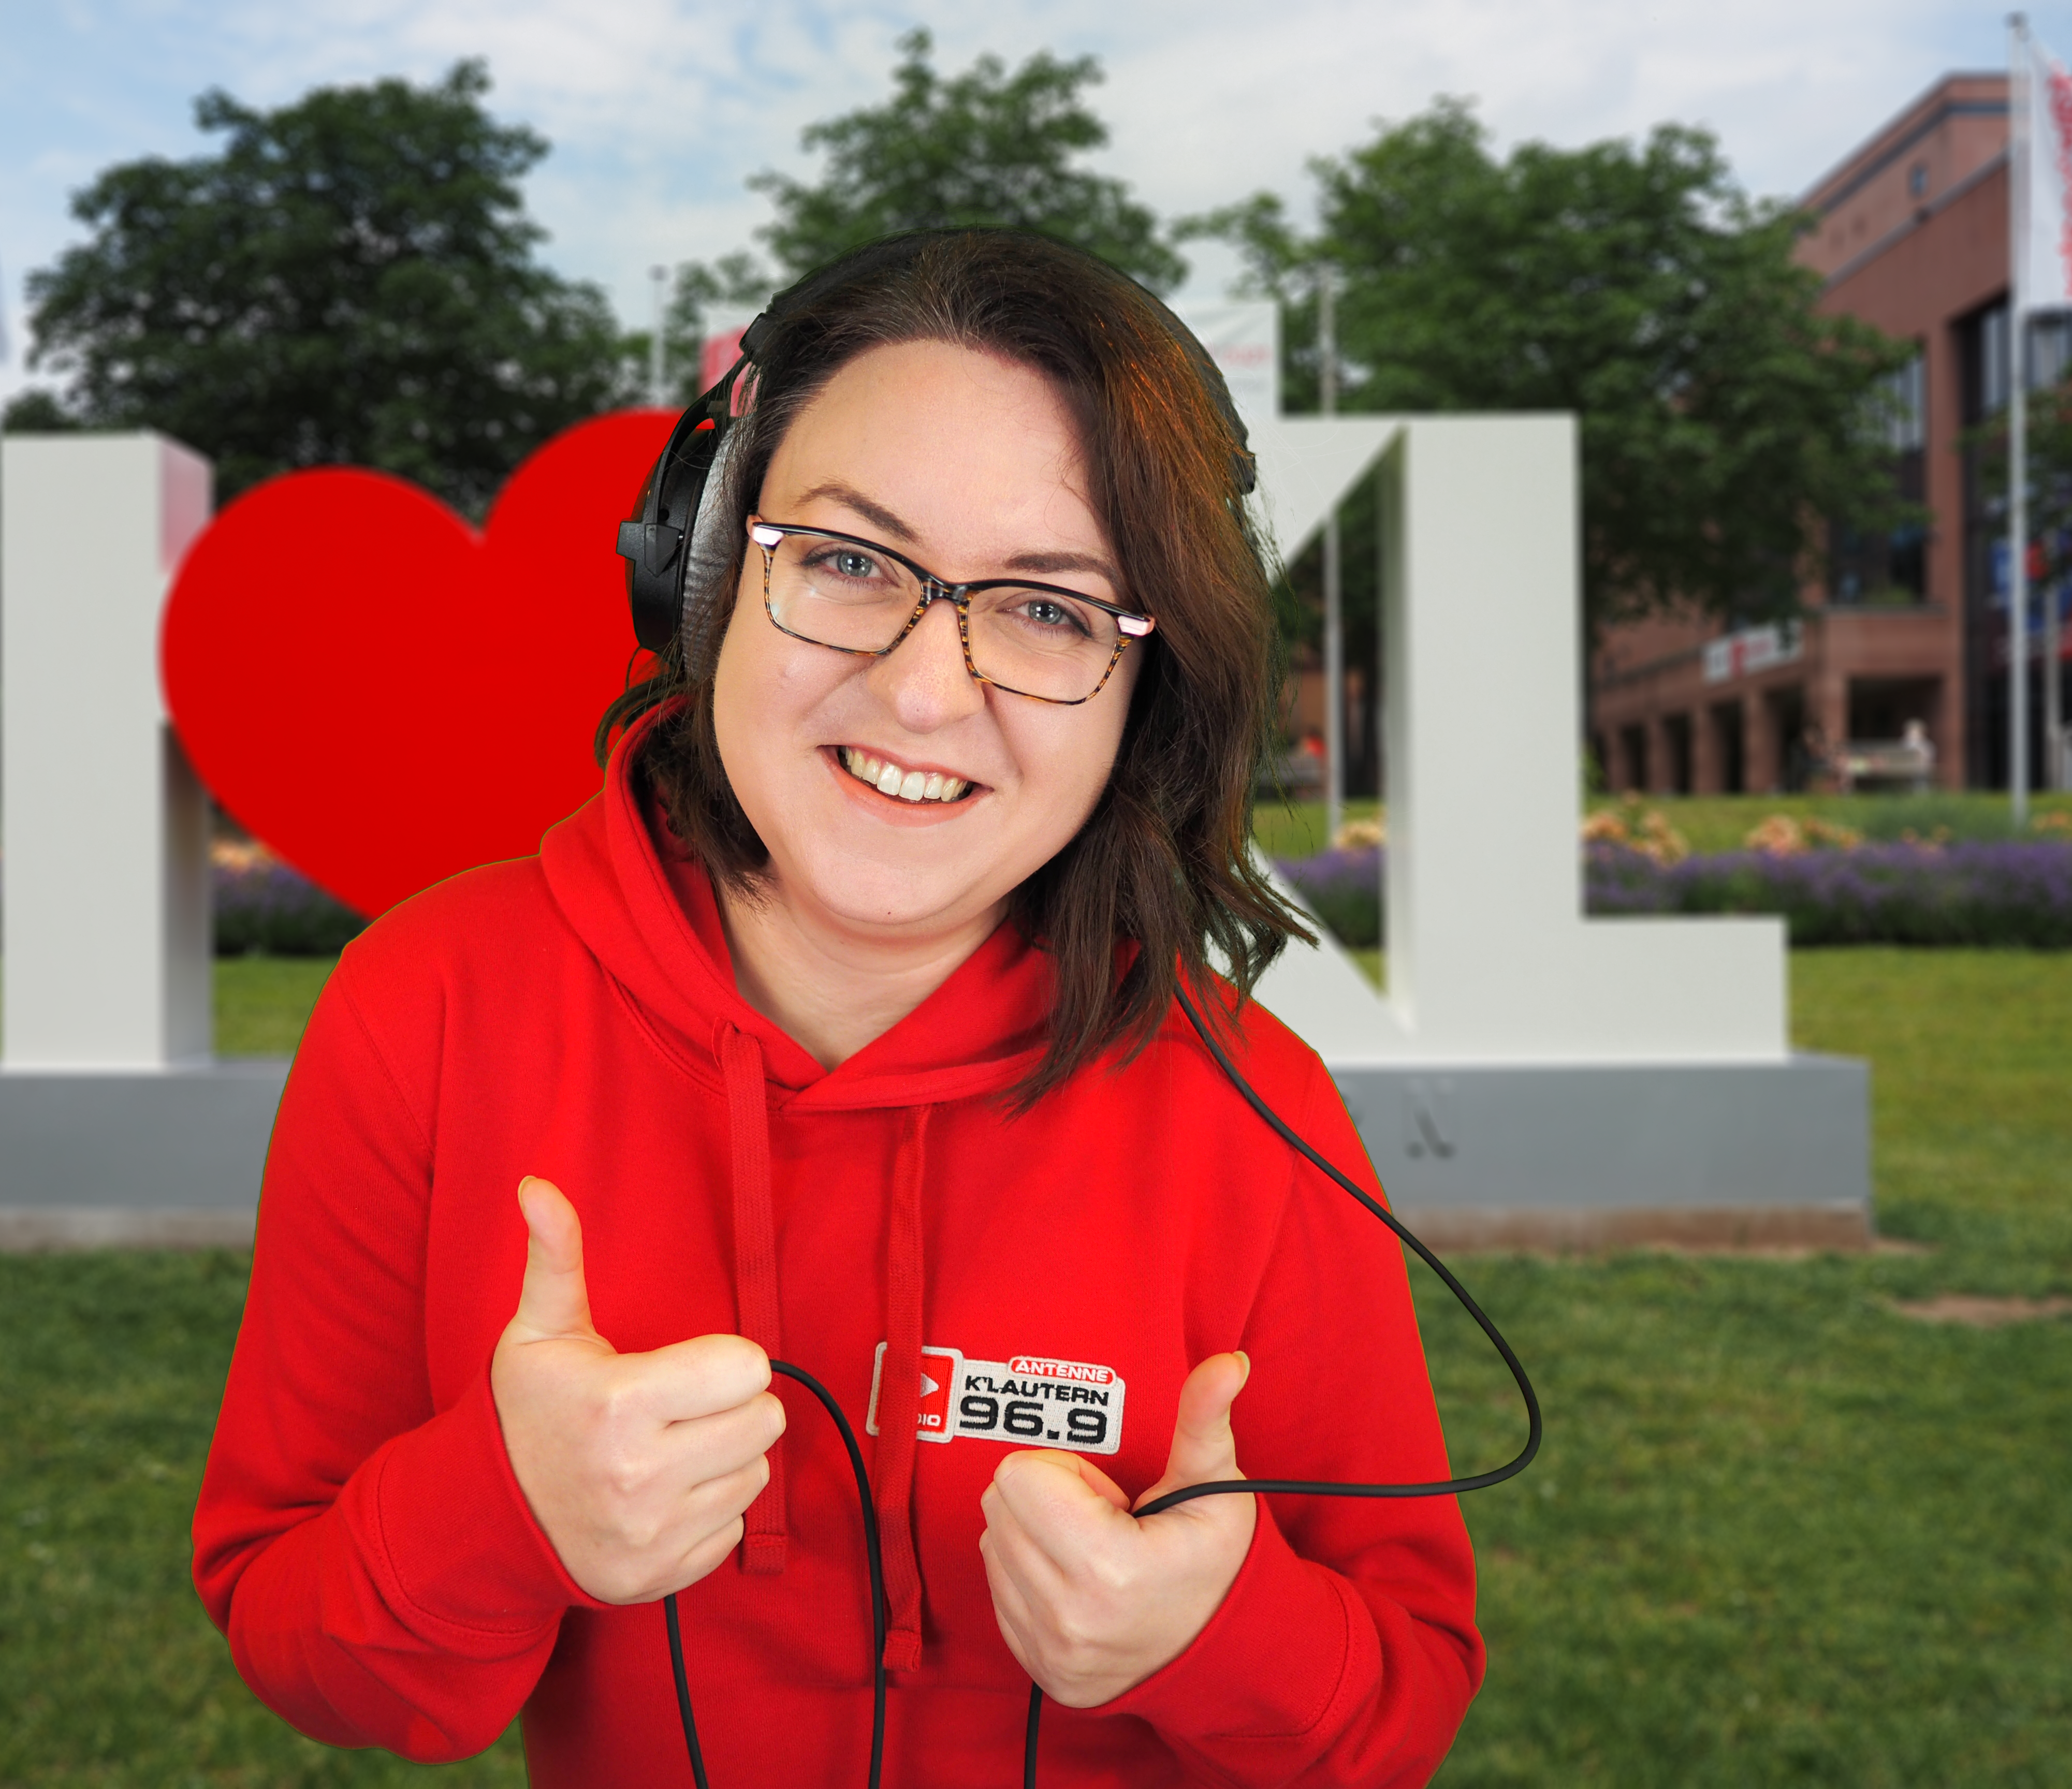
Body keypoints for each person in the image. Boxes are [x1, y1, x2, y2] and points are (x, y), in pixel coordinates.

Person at [194, 229, 1481, 1787]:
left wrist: (1214, 1640)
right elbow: (299, 1635)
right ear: (712, 572)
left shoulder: (1251, 1104)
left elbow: (1403, 1695)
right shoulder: (433, 1007)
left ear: (1151, 694)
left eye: (1051, 611)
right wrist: (500, 1511)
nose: (928, 692)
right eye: (852, 562)